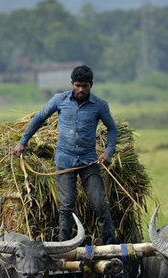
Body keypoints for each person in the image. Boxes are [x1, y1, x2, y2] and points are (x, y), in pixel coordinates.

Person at [13, 65, 118, 245]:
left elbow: (112, 129)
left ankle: (110, 245)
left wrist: (108, 152)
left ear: (91, 85)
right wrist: (23, 141)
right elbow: (39, 118)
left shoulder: (100, 105)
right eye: (77, 85)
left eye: (85, 86)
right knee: (66, 206)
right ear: (71, 84)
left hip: (89, 162)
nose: (80, 90)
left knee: (100, 204)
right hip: (64, 161)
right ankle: (64, 245)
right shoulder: (59, 100)